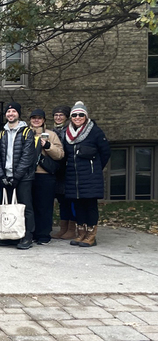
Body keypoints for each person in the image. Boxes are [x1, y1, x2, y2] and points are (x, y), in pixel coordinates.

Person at [63, 101, 110, 247]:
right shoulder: (67, 133)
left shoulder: (95, 131)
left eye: (81, 115)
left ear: (86, 116)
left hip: (90, 176)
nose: (78, 117)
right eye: (75, 115)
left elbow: (105, 152)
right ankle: (81, 233)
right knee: (78, 205)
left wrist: (95, 168)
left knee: (90, 205)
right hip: (73, 175)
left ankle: (91, 234)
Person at [0, 101, 37, 249]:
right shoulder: (1, 133)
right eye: (8, 112)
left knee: (25, 207)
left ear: (18, 114)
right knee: (8, 207)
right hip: (6, 176)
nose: (10, 114)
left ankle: (26, 236)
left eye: (13, 112)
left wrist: (17, 176)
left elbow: (27, 156)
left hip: (23, 177)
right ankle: (10, 235)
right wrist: (1, 176)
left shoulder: (26, 132)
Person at [29, 108, 65, 245]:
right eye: (34, 118)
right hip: (28, 175)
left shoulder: (51, 134)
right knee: (30, 206)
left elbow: (60, 154)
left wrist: (48, 145)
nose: (36, 120)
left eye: (39, 118)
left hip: (45, 175)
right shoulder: (25, 134)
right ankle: (31, 232)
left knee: (44, 206)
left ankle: (43, 234)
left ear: (44, 120)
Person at [51, 105, 76, 240]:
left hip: (68, 170)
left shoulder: (70, 131)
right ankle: (63, 228)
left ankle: (72, 228)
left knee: (70, 199)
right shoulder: (52, 131)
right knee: (62, 200)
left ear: (66, 117)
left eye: (61, 115)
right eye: (56, 115)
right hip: (57, 170)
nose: (58, 117)